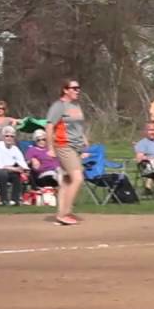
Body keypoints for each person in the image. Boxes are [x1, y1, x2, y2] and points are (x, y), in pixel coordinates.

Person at [46, 78, 88, 225]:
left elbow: (78, 127)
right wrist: (50, 148)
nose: (77, 90)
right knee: (78, 178)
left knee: (67, 180)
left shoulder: (76, 106)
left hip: (76, 146)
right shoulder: (59, 106)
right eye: (74, 88)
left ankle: (61, 213)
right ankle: (65, 213)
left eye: (78, 88)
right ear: (65, 90)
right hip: (64, 145)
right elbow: (50, 126)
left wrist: (84, 143)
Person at [0, 126, 29, 205]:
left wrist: (25, 170)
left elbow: (22, 162)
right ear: (3, 137)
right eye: (7, 136)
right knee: (3, 173)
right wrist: (15, 169)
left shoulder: (15, 149)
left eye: (12, 136)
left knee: (16, 175)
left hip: (8, 171)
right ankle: (3, 199)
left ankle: (14, 200)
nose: (9, 138)